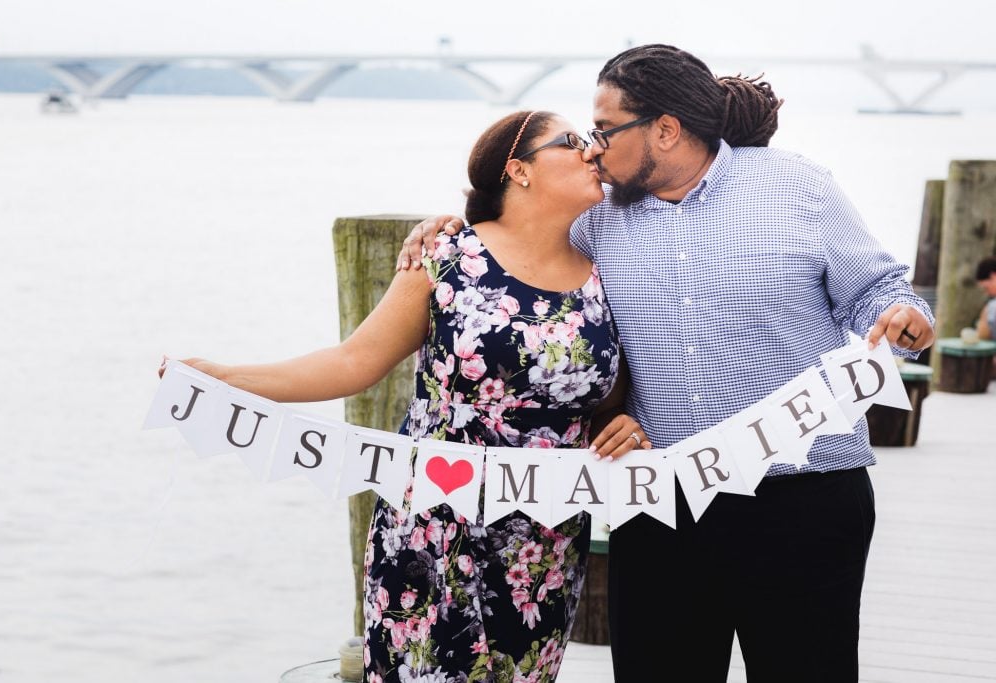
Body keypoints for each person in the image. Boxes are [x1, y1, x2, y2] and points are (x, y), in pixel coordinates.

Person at [398, 44, 936, 683]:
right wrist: (450, 229)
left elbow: (878, 289)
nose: (592, 149)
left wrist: (907, 318)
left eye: (603, 130)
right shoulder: (593, 221)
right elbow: (527, 260)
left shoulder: (800, 186)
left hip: (807, 498)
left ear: (666, 129)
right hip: (660, 506)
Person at [160, 110, 652, 683]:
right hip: (433, 520)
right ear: (518, 170)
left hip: (540, 537)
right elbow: (353, 363)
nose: (592, 150)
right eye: (571, 141)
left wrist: (628, 423)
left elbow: (617, 392)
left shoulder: (605, 270)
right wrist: (229, 377)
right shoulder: (445, 258)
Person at [975, 256, 996, 340]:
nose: (986, 292)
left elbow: (982, 335)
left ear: (993, 276)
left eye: (986, 288)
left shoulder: (992, 307)